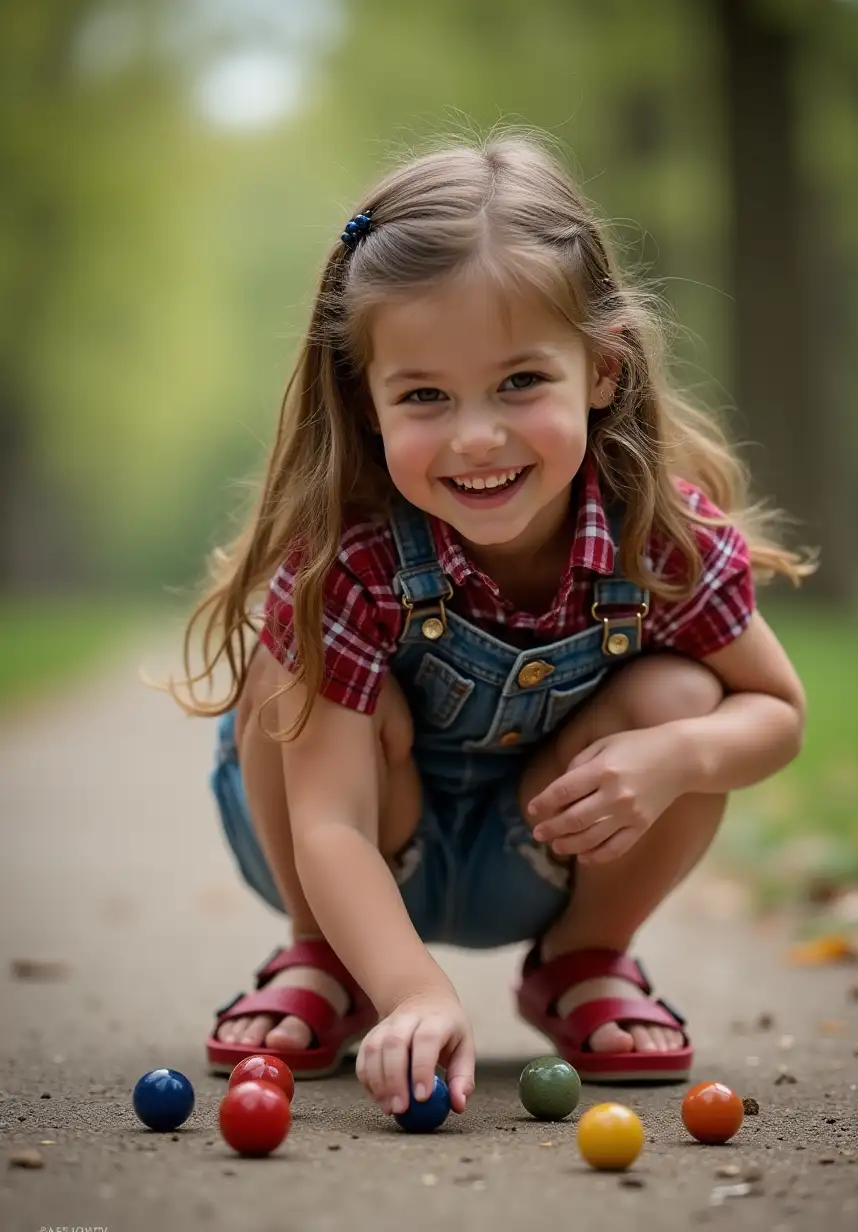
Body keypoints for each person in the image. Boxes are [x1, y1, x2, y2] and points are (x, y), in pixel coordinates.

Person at [172, 133, 812, 1121]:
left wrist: (677, 755)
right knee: (285, 672)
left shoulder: (661, 536)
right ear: (367, 399)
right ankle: (327, 957)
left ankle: (583, 956)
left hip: (540, 856)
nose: (477, 435)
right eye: (424, 394)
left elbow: (775, 710)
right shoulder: (352, 554)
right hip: (347, 854)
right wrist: (415, 989)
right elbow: (330, 822)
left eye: (520, 381)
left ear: (601, 368)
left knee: (686, 698)